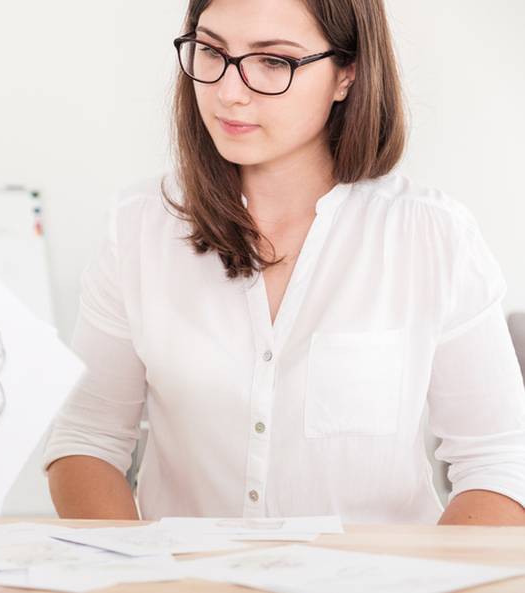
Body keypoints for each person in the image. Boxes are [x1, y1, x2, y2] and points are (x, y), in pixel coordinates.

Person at [44, 0, 525, 525]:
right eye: (211, 50)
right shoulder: (141, 227)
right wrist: (140, 577)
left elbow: (499, 465)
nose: (228, 91)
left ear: (348, 73)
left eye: (273, 61)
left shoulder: (432, 236)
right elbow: (86, 440)